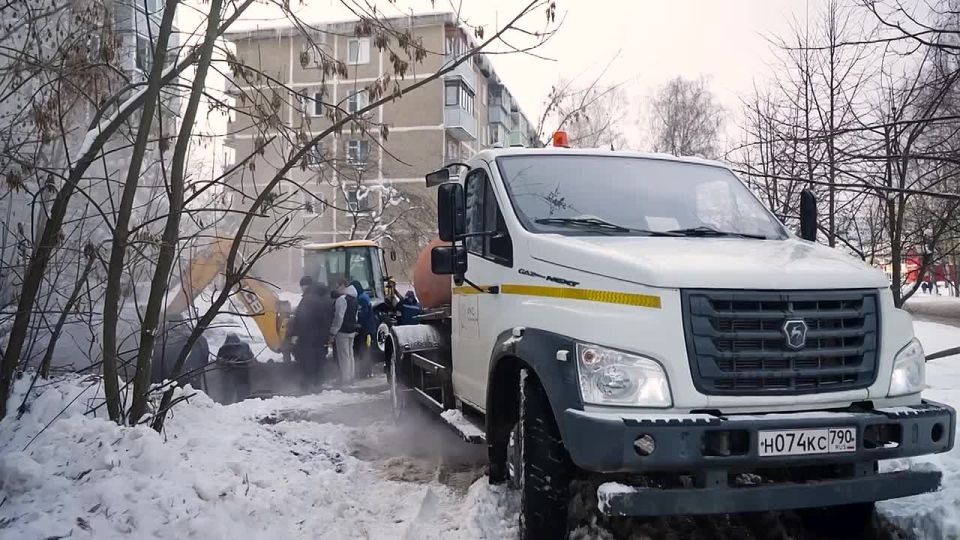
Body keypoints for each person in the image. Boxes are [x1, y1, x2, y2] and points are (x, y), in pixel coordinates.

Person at [289, 280, 335, 393]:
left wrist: (295, 334)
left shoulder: (307, 300)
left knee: (308, 360)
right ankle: (318, 382)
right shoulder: (323, 300)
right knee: (319, 359)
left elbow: (299, 318)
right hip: (319, 337)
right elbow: (326, 320)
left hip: (307, 337)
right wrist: (326, 335)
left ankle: (308, 384)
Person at [329, 281, 359, 386]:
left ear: (342, 286)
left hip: (343, 331)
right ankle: (351, 376)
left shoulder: (342, 300)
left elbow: (339, 317)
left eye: (337, 286)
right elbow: (356, 316)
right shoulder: (354, 298)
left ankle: (345, 379)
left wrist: (333, 331)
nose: (336, 289)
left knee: (343, 357)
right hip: (352, 330)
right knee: (350, 355)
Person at [351, 280, 376, 379]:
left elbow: (363, 314)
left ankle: (364, 372)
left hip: (365, 329)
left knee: (363, 350)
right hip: (369, 328)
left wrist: (357, 324)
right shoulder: (365, 296)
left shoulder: (361, 299)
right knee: (367, 349)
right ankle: (368, 371)